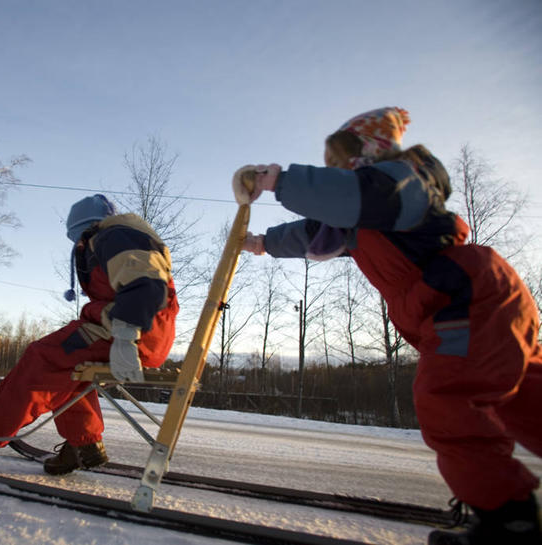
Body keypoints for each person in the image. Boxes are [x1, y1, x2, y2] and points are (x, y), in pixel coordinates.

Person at [231, 107, 542, 545]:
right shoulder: (363, 213)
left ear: (372, 150)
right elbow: (316, 231)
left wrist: (276, 180)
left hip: (465, 297)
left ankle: (509, 522)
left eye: (344, 155)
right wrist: (263, 244)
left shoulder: (403, 182)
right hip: (476, 297)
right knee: (521, 392)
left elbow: (349, 197)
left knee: (449, 398)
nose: (338, 167)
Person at [0, 194, 179, 475]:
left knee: (41, 359)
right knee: (67, 367)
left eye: (76, 239)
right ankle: (83, 444)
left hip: (129, 330)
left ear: (86, 229)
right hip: (134, 329)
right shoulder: (122, 236)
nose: (76, 246)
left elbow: (148, 286)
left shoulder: (114, 236)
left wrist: (125, 335)